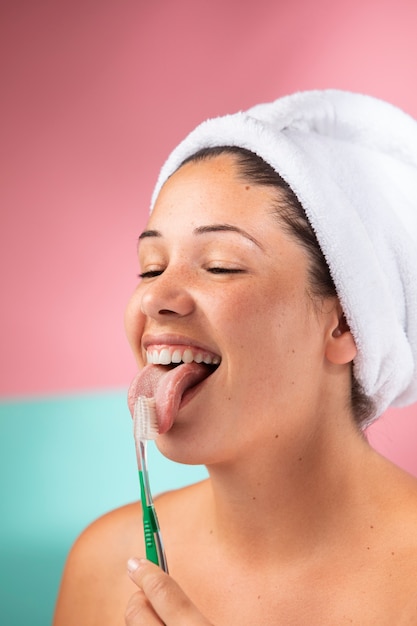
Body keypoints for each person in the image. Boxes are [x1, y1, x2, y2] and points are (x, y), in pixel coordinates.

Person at [53, 89, 417, 625]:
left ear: (344, 323)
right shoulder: (105, 564)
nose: (154, 297)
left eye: (220, 265)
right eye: (151, 268)